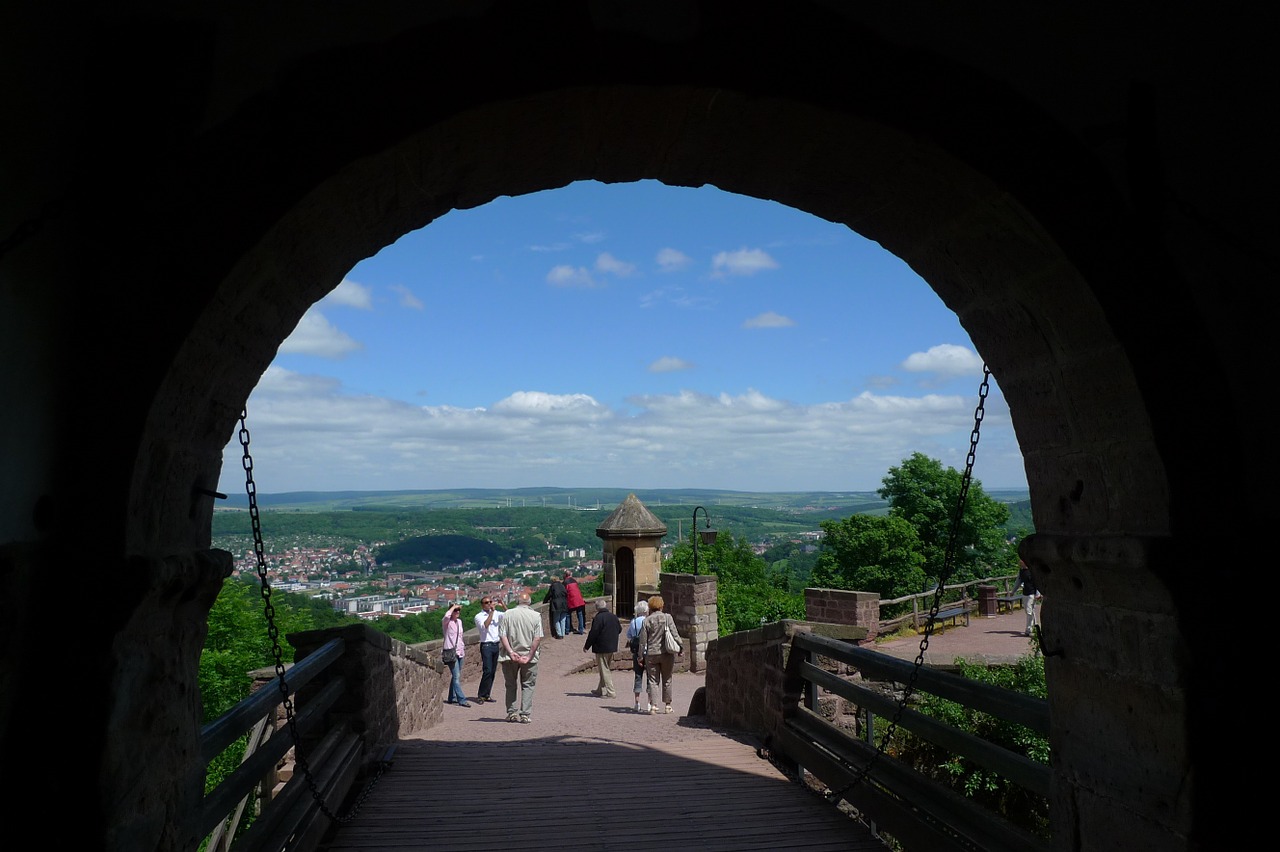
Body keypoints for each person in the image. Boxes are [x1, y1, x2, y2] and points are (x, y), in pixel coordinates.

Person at [498, 590, 543, 723]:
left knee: (511, 685)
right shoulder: (536, 616)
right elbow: (537, 639)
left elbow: (502, 635)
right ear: (529, 603)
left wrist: (511, 652)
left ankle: (512, 712)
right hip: (529, 657)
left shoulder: (507, 614)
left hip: (509, 656)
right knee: (528, 685)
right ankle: (525, 714)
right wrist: (529, 655)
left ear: (517, 602)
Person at [640, 594, 681, 715]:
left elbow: (643, 641)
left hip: (652, 654)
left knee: (653, 681)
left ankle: (653, 705)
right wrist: (680, 646)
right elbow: (674, 633)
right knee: (667, 678)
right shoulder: (667, 618)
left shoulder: (646, 620)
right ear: (661, 606)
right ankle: (668, 705)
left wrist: (640, 656)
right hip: (666, 653)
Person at [583, 597, 622, 699]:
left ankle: (611, 691)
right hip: (612, 646)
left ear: (597, 608)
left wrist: (587, 646)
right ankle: (600, 689)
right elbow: (620, 629)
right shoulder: (613, 617)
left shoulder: (598, 618)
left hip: (601, 647)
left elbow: (593, 633)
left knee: (604, 670)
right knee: (605, 668)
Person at [472, 595, 506, 704]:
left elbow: (509, 616)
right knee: (487, 670)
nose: (489, 604)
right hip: (486, 645)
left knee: (492, 671)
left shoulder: (497, 614)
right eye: (486, 602)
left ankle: (487, 694)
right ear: (482, 605)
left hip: (495, 644)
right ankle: (481, 695)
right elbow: (485, 625)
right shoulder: (479, 616)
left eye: (490, 602)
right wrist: (491, 612)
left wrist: (503, 605)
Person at [441, 603, 470, 707]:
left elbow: (460, 637)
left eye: (458, 610)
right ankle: (462, 699)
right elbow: (446, 616)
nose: (457, 612)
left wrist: (463, 649)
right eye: (455, 610)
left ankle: (451, 697)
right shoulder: (446, 622)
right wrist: (453, 607)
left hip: (460, 651)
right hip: (450, 652)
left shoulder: (459, 622)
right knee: (456, 676)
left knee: (456, 676)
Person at [626, 599, 649, 712]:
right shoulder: (648, 621)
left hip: (636, 652)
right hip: (648, 651)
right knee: (651, 677)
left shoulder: (633, 622)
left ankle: (637, 703)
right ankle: (650, 703)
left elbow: (629, 635)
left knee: (638, 676)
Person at [1018, 560, 1042, 637]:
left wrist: (1038, 593)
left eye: (1021, 562)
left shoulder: (1032, 571)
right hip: (1025, 593)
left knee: (1029, 612)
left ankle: (1028, 629)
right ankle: (1035, 626)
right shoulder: (1022, 571)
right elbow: (1018, 581)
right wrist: (1013, 591)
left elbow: (1037, 582)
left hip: (1031, 593)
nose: (1019, 563)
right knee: (1030, 611)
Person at [564, 570, 587, 634]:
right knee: (580, 614)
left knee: (568, 614)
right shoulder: (574, 581)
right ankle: (581, 629)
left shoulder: (565, 582)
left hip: (571, 601)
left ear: (565, 575)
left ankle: (567, 630)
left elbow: (565, 592)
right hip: (579, 600)